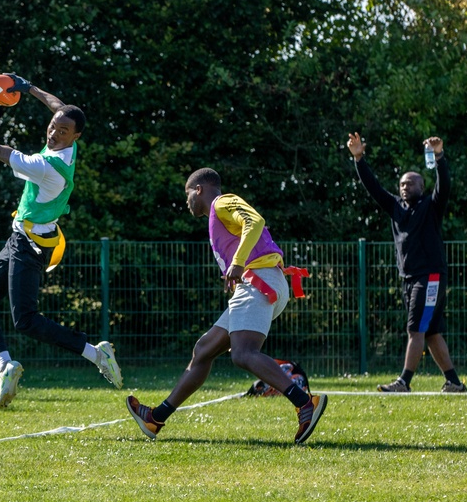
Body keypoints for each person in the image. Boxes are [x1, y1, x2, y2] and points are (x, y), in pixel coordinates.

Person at [0, 74, 122, 407]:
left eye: (63, 131)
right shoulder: (68, 139)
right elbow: (59, 107)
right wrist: (27, 86)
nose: (54, 132)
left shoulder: (46, 166)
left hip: (30, 245)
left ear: (75, 136)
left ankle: (95, 353)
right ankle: (5, 364)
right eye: (53, 126)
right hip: (23, 237)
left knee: (26, 321)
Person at [125, 168, 327, 444]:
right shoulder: (216, 216)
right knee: (204, 349)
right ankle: (155, 417)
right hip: (258, 282)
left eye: (187, 195)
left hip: (260, 280)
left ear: (199, 190)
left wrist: (238, 262)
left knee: (243, 353)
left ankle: (305, 402)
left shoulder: (221, 201)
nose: (187, 203)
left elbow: (254, 221)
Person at [346, 132, 467, 393]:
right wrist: (359, 159)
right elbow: (374, 187)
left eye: (410, 184)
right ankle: (455, 383)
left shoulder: (431, 206)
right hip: (409, 278)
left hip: (430, 276)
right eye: (402, 184)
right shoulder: (396, 208)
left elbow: (444, 185)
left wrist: (439, 156)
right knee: (432, 333)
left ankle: (403, 382)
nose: (404, 187)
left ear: (421, 188)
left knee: (415, 330)